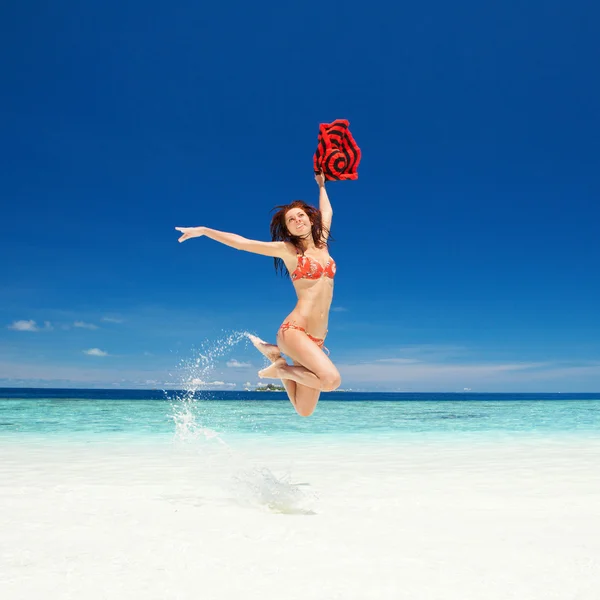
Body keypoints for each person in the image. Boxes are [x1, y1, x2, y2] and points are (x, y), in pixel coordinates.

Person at [175, 172, 341, 417]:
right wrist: (204, 230)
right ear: (287, 229)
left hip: (317, 339)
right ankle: (281, 370)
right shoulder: (288, 251)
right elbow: (243, 243)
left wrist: (322, 185)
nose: (297, 220)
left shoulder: (323, 240)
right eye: (291, 220)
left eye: (301, 215)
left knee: (304, 410)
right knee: (330, 380)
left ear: (310, 218)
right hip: (295, 331)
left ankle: (277, 359)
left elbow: (328, 211)